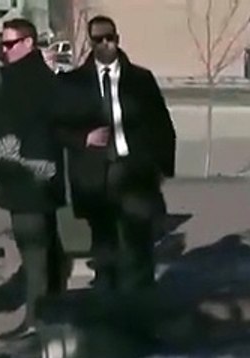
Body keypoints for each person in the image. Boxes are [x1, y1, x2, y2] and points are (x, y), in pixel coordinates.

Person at [58, 15, 176, 292]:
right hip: (95, 176)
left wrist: (161, 169)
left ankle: (141, 315)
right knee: (105, 248)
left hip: (134, 172)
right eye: (99, 39)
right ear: (90, 42)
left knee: (138, 248)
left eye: (110, 37)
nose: (106, 44)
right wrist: (82, 138)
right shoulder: (73, 84)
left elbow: (163, 126)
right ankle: (109, 313)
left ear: (117, 38)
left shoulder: (141, 79)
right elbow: (57, 128)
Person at [0, 17, 68, 340]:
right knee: (44, 249)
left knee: (35, 251)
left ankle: (38, 319)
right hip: (32, 179)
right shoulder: (24, 79)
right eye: (2, 45)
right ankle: (48, 314)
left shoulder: (30, 83)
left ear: (28, 43)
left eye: (9, 44)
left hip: (29, 179)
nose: (4, 51)